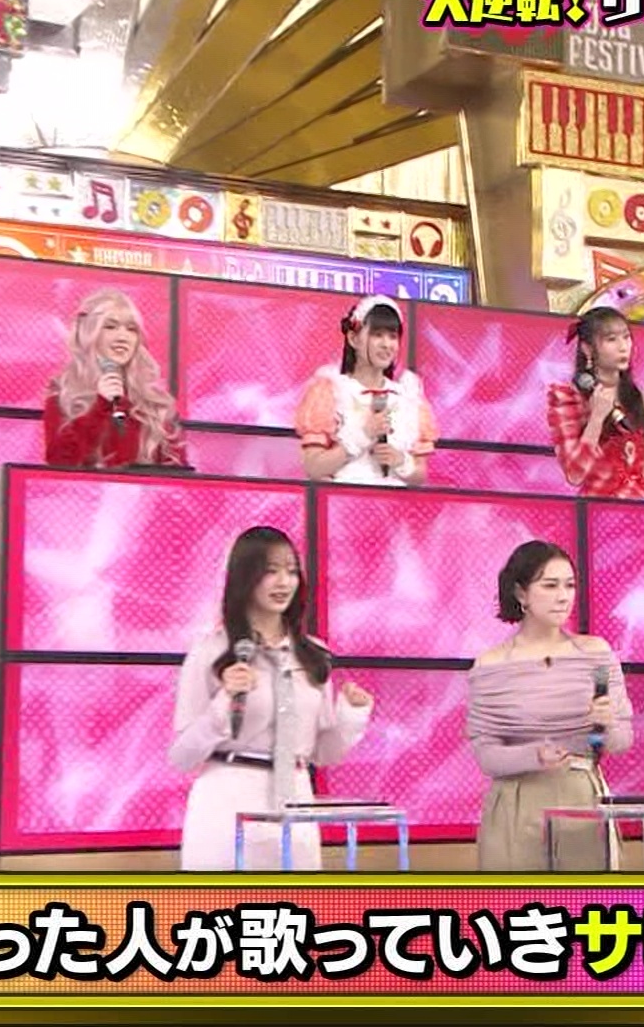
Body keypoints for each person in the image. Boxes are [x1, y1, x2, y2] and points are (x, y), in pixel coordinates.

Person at [168, 526, 373, 870]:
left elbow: (323, 753)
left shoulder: (313, 655)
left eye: (291, 571)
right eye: (270, 571)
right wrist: (224, 702)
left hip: (296, 801)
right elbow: (182, 757)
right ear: (245, 577)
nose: (283, 582)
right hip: (227, 802)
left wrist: (351, 716)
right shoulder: (211, 651)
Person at [468, 541, 632, 871]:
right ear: (521, 593)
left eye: (569, 585)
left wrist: (607, 724)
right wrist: (535, 756)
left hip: (582, 799)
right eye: (550, 585)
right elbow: (487, 756)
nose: (563, 596)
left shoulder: (596, 654)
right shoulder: (491, 665)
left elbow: (619, 742)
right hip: (516, 805)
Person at [295, 295, 438, 486]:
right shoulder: (331, 391)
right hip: (345, 498)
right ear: (353, 338)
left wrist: (401, 462)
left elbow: (420, 476)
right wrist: (361, 436)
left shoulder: (408, 396)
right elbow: (314, 468)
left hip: (395, 501)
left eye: (393, 336)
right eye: (377, 335)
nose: (386, 344)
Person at [43, 291, 187, 469]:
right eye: (110, 327)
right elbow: (59, 463)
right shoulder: (64, 392)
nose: (122, 337)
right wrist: (100, 407)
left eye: (131, 329)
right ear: (89, 333)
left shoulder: (154, 403)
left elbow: (178, 473)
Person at [547, 306, 644, 501]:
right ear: (587, 348)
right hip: (599, 510)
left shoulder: (639, 398)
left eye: (626, 337)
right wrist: (596, 418)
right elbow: (575, 475)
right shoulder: (568, 399)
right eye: (611, 339)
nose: (623, 347)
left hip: (640, 508)